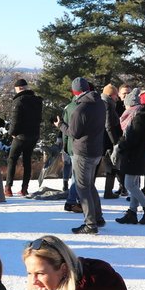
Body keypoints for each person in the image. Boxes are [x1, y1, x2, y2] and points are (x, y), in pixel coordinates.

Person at [55, 78, 105, 234]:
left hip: (83, 151)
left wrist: (60, 125)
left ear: (74, 92)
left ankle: (90, 224)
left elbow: (73, 133)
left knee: (82, 188)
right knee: (90, 185)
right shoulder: (100, 103)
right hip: (97, 150)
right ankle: (98, 217)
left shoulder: (80, 109)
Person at [115, 90, 145, 225]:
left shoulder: (138, 117)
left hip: (134, 155)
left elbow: (133, 139)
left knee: (129, 184)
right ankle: (132, 213)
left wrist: (121, 145)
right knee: (134, 184)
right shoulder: (143, 115)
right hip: (140, 155)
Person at [5, 79, 43, 197]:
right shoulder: (37, 100)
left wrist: (12, 132)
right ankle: (24, 188)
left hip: (20, 136)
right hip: (34, 135)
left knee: (12, 159)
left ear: (20, 88)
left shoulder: (19, 101)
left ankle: (8, 188)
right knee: (27, 161)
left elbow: (15, 119)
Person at [101, 84, 123, 199]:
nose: (117, 98)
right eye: (116, 95)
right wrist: (115, 143)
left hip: (104, 139)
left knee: (111, 166)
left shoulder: (102, 103)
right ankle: (108, 191)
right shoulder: (108, 105)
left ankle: (109, 191)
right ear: (111, 95)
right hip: (108, 141)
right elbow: (108, 125)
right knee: (112, 166)